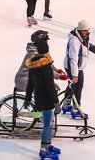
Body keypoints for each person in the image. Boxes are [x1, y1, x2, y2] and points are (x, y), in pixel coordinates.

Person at [24, 29, 62, 160]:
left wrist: (27, 98)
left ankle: (48, 145)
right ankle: (43, 150)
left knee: (48, 123)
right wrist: (56, 103)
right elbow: (50, 86)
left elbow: (30, 83)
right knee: (47, 125)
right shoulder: (45, 66)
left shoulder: (34, 63)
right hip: (46, 99)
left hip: (39, 97)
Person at [63, 20, 95, 119]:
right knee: (78, 87)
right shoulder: (75, 41)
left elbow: (89, 45)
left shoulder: (82, 38)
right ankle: (75, 110)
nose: (87, 32)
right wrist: (75, 75)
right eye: (85, 30)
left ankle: (65, 106)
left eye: (88, 30)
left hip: (74, 67)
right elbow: (73, 59)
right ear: (80, 30)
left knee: (71, 86)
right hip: (73, 67)